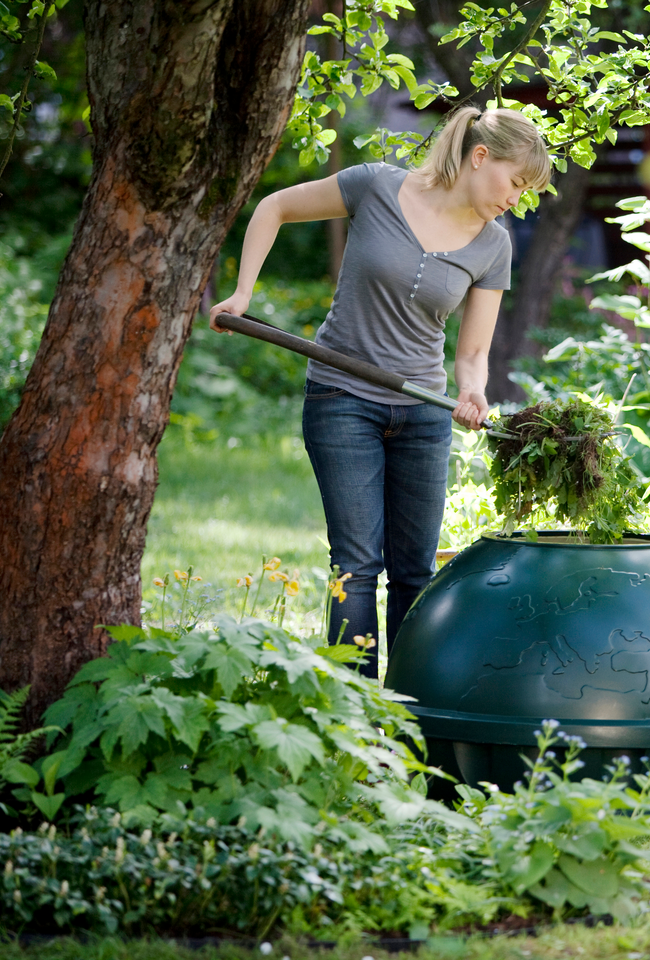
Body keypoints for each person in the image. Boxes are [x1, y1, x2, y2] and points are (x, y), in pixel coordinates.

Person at [209, 106, 551, 678]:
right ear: (480, 156)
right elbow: (275, 207)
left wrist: (472, 392)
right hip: (342, 401)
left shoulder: (494, 245)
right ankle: (358, 716)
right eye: (516, 182)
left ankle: (410, 713)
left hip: (423, 414)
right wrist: (243, 293)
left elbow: (471, 354)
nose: (517, 198)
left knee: (415, 570)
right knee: (357, 565)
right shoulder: (376, 186)